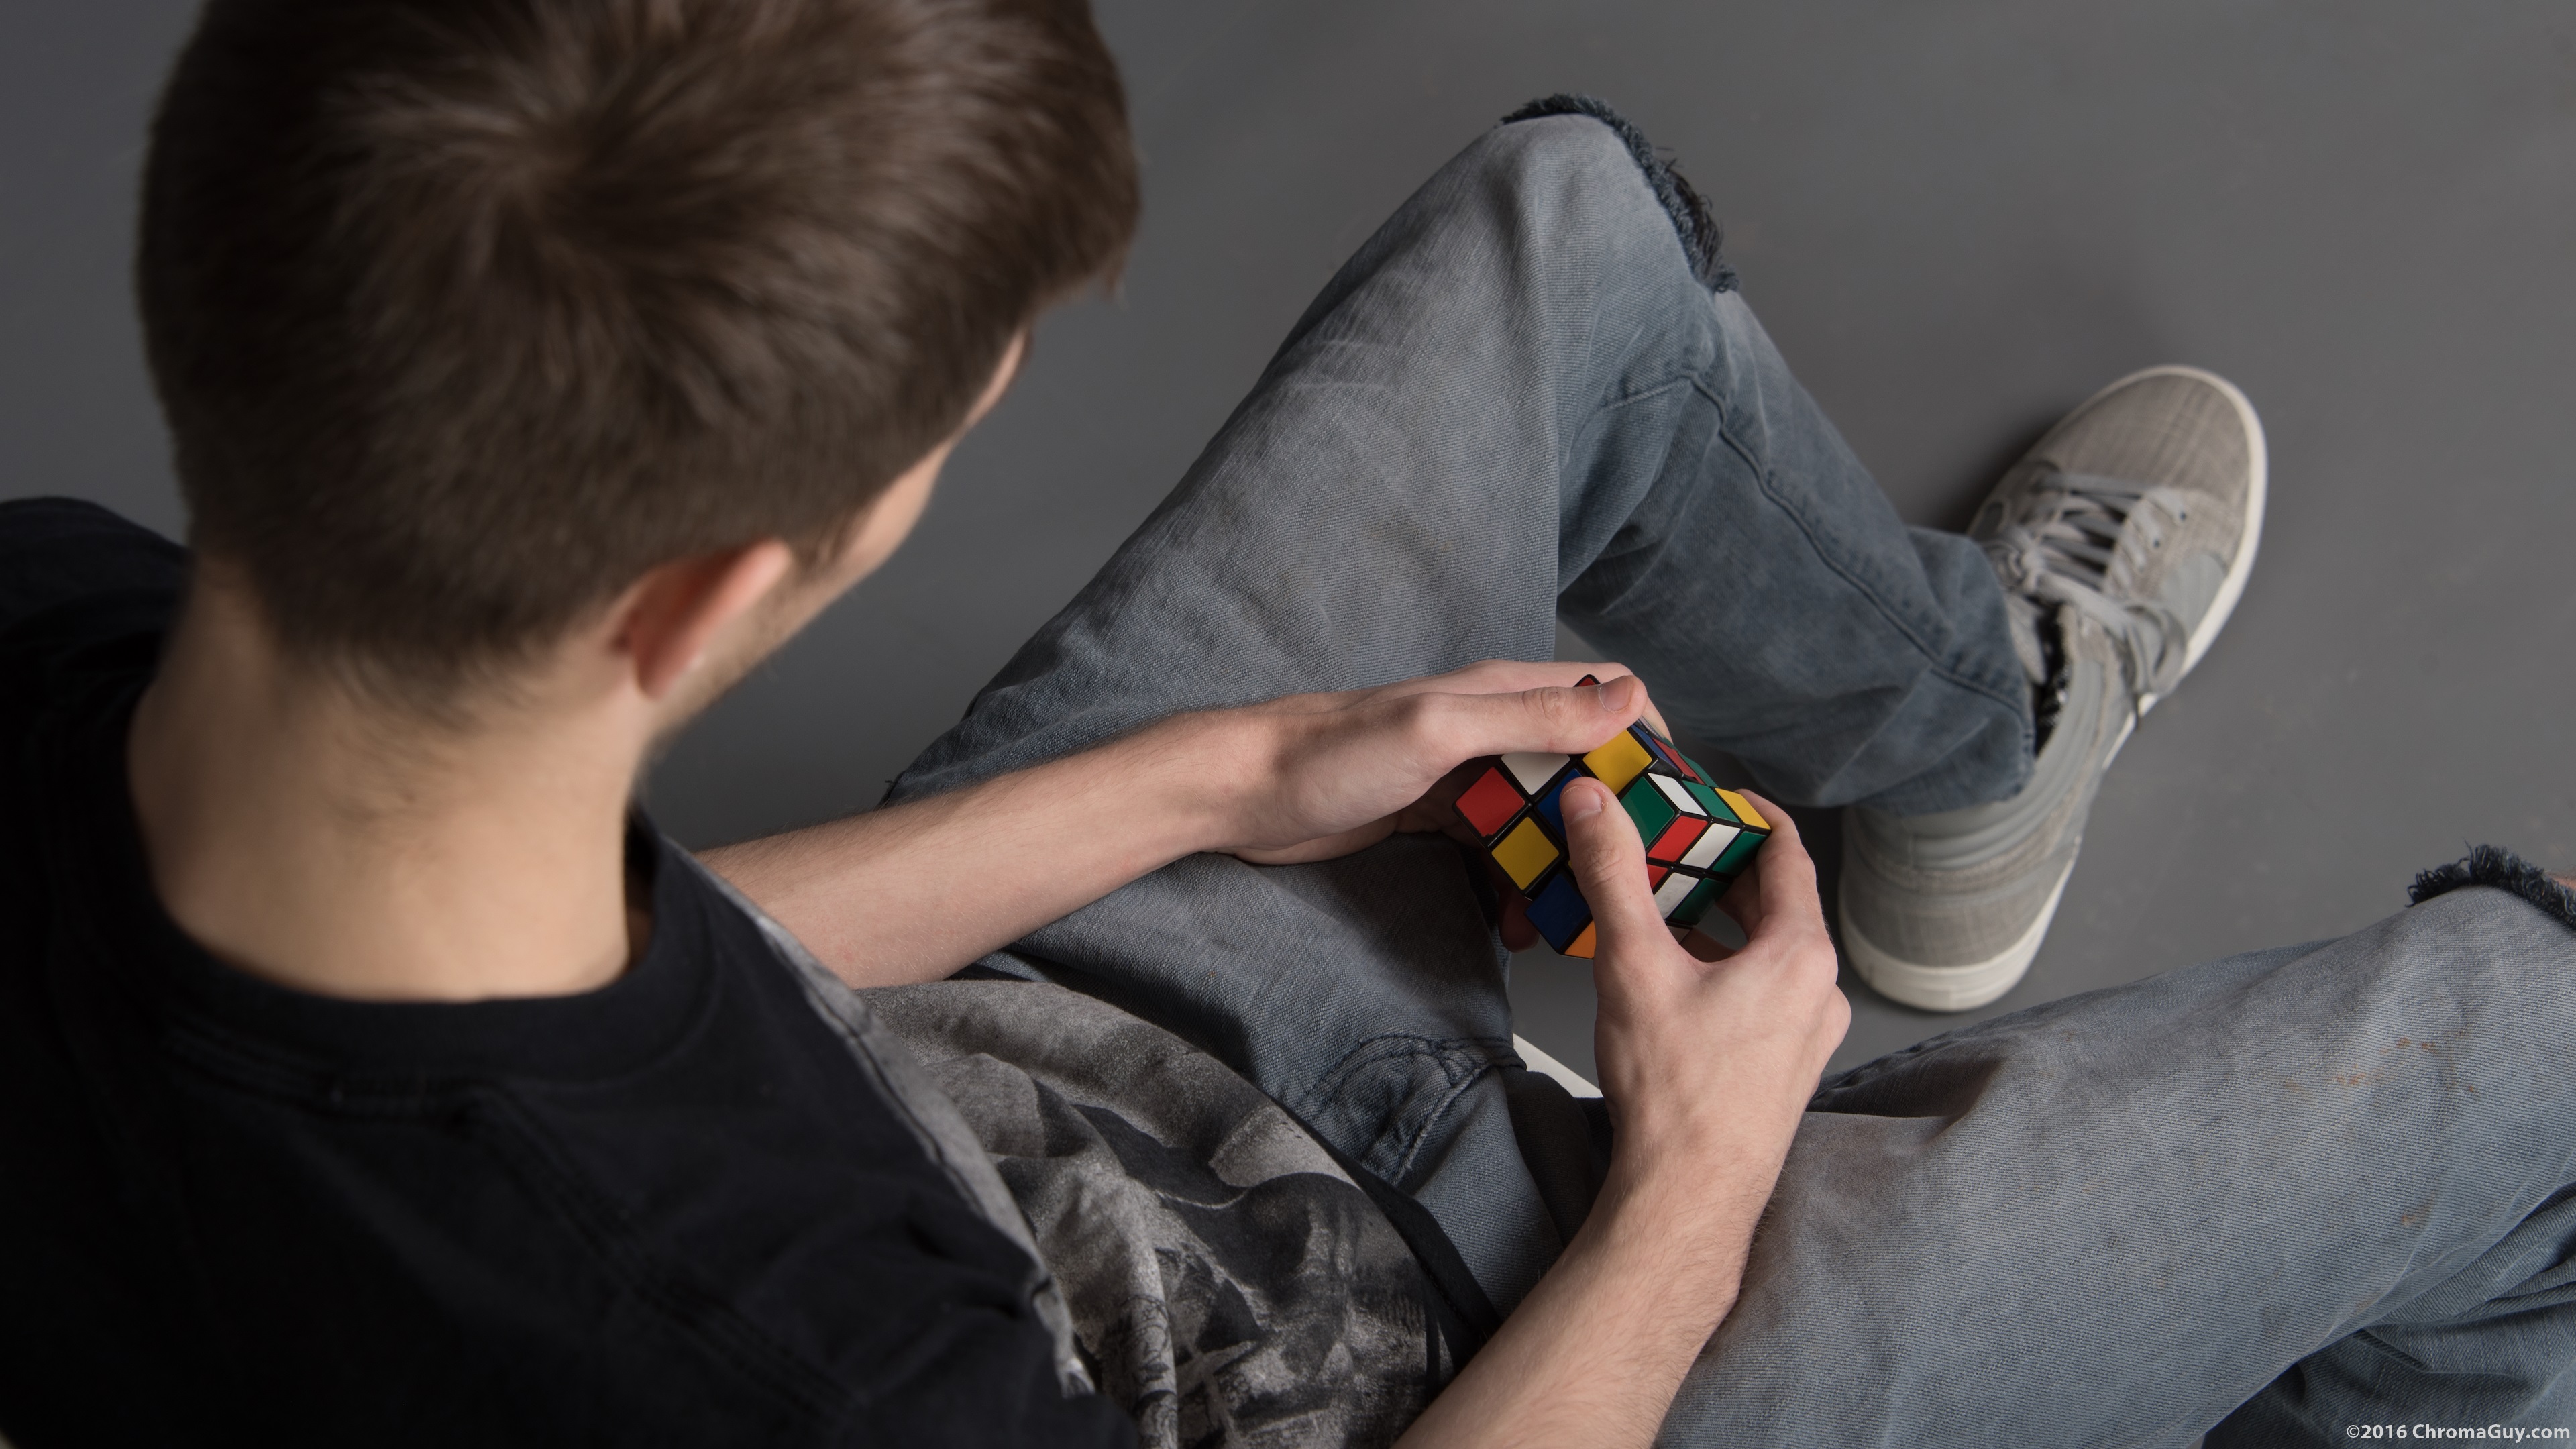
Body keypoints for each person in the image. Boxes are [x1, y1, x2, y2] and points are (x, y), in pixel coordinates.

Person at [3, 1, 2572, 1446]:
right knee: (2534, 1047)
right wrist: (1692, 1179)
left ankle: (1978, 748)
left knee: (1570, 238)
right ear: (712, 595)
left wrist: (1232, 777)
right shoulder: (781, 1368)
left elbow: (587, 985)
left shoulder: (58, 623)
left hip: (1034, 1054)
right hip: (1459, 1365)